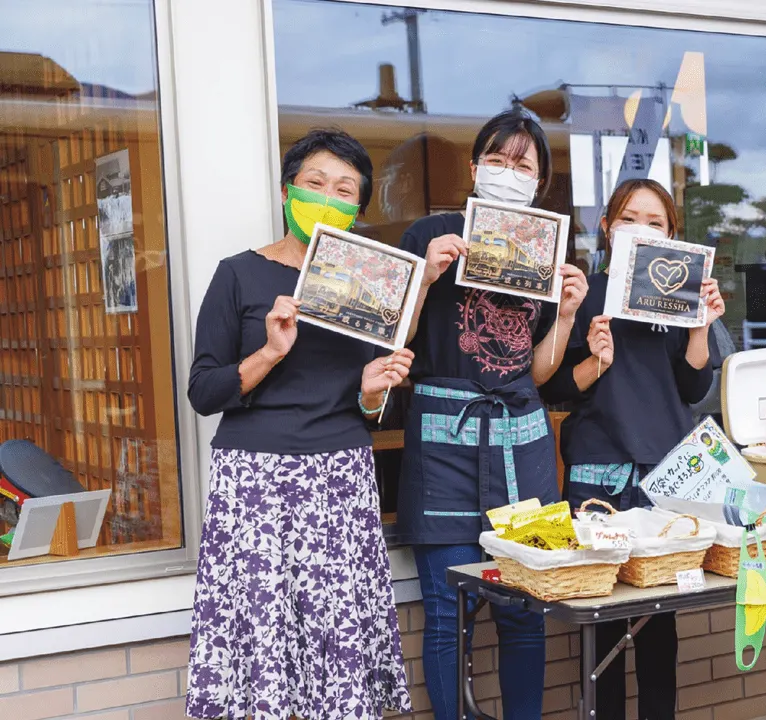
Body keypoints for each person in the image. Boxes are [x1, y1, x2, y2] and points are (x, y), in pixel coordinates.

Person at [186, 129, 413, 720]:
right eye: (315, 183)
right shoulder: (238, 274)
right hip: (254, 483)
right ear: (288, 189)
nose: (328, 197)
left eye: (345, 190)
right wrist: (269, 353)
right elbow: (204, 392)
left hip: (339, 475)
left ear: (358, 210)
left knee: (334, 634)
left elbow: (367, 411)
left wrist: (370, 393)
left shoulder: (367, 285)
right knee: (259, 632)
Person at [397, 109, 587, 720]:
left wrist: (564, 315)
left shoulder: (546, 249)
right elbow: (387, 338)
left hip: (523, 450)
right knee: (448, 610)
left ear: (540, 183)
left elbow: (535, 373)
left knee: (523, 607)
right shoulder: (432, 231)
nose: (510, 172)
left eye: (523, 165)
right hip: (443, 446)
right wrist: (424, 277)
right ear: (475, 168)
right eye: (498, 161)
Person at [541, 178, 724, 720]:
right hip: (597, 476)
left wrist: (700, 327)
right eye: (629, 219)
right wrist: (596, 358)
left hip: (663, 479)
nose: (641, 230)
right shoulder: (587, 294)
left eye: (656, 223)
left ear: (672, 236)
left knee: (658, 618)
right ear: (606, 227)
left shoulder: (682, 293)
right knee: (603, 616)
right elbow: (554, 388)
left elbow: (693, 388)